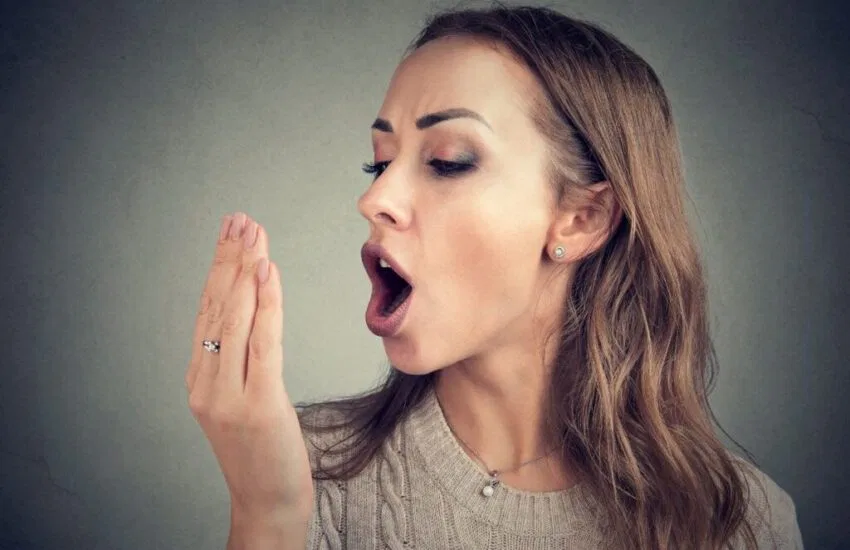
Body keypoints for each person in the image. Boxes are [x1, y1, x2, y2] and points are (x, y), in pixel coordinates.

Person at [185, 4, 804, 549]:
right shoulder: (300, 471)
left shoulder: (740, 523)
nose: (375, 200)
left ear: (581, 220)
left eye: (448, 162)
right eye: (379, 164)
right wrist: (268, 516)